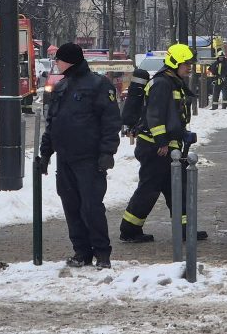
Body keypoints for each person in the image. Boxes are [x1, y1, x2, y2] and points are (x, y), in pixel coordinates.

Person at [38, 43, 121, 269]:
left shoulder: (98, 85)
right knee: (71, 207)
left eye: (59, 59)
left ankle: (102, 254)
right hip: (65, 159)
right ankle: (81, 252)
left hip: (89, 159)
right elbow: (52, 124)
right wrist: (45, 154)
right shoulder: (61, 86)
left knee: (91, 207)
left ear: (70, 60)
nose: (56, 63)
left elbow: (111, 122)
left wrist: (107, 152)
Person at [120, 43, 207, 244]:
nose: (189, 68)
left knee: (177, 188)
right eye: (186, 64)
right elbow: (155, 115)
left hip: (168, 146)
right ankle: (129, 229)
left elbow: (172, 115)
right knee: (149, 190)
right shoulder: (162, 84)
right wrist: (162, 142)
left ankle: (186, 228)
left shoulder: (173, 82)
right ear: (175, 62)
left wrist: (179, 135)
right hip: (155, 148)